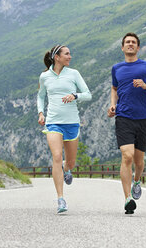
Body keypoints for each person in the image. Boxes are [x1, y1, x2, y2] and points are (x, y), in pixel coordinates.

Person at [107, 33, 146, 214]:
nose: (130, 45)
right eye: (127, 42)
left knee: (139, 162)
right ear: (122, 48)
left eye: (133, 42)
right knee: (127, 156)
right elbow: (114, 88)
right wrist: (112, 105)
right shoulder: (116, 68)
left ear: (138, 48)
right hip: (123, 118)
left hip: (142, 119)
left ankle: (137, 181)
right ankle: (127, 199)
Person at [37, 44, 92, 214]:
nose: (70, 56)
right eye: (67, 54)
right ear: (57, 57)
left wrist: (75, 95)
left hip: (71, 122)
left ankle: (67, 169)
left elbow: (88, 94)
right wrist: (41, 113)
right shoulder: (45, 76)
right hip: (53, 122)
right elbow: (40, 96)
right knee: (56, 156)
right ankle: (60, 199)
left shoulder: (74, 74)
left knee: (70, 161)